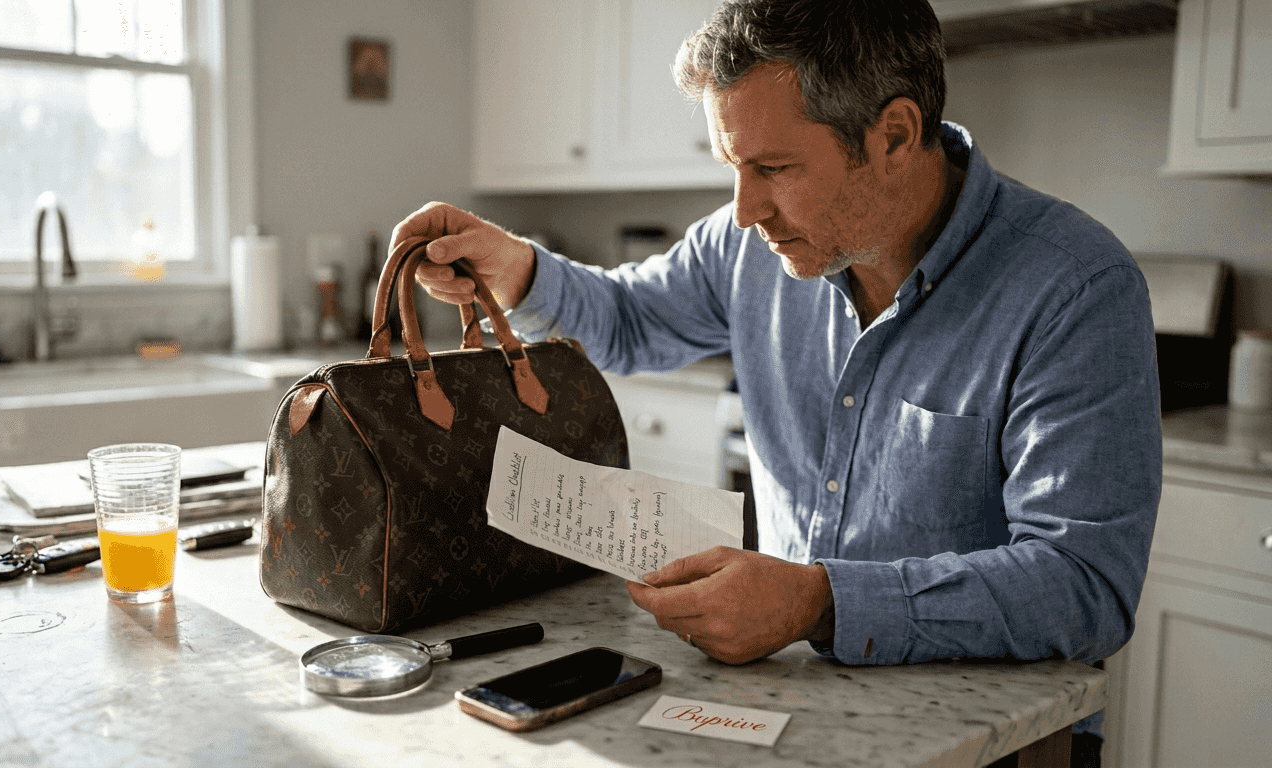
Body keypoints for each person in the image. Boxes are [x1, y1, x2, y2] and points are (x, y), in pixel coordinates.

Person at [396, 0, 1159, 758]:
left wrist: (819, 603)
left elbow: (1083, 584)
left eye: (775, 168)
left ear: (894, 135)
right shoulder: (752, 250)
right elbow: (630, 319)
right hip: (796, 702)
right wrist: (517, 270)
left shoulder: (1074, 286)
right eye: (733, 166)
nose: (743, 211)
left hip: (994, 739)